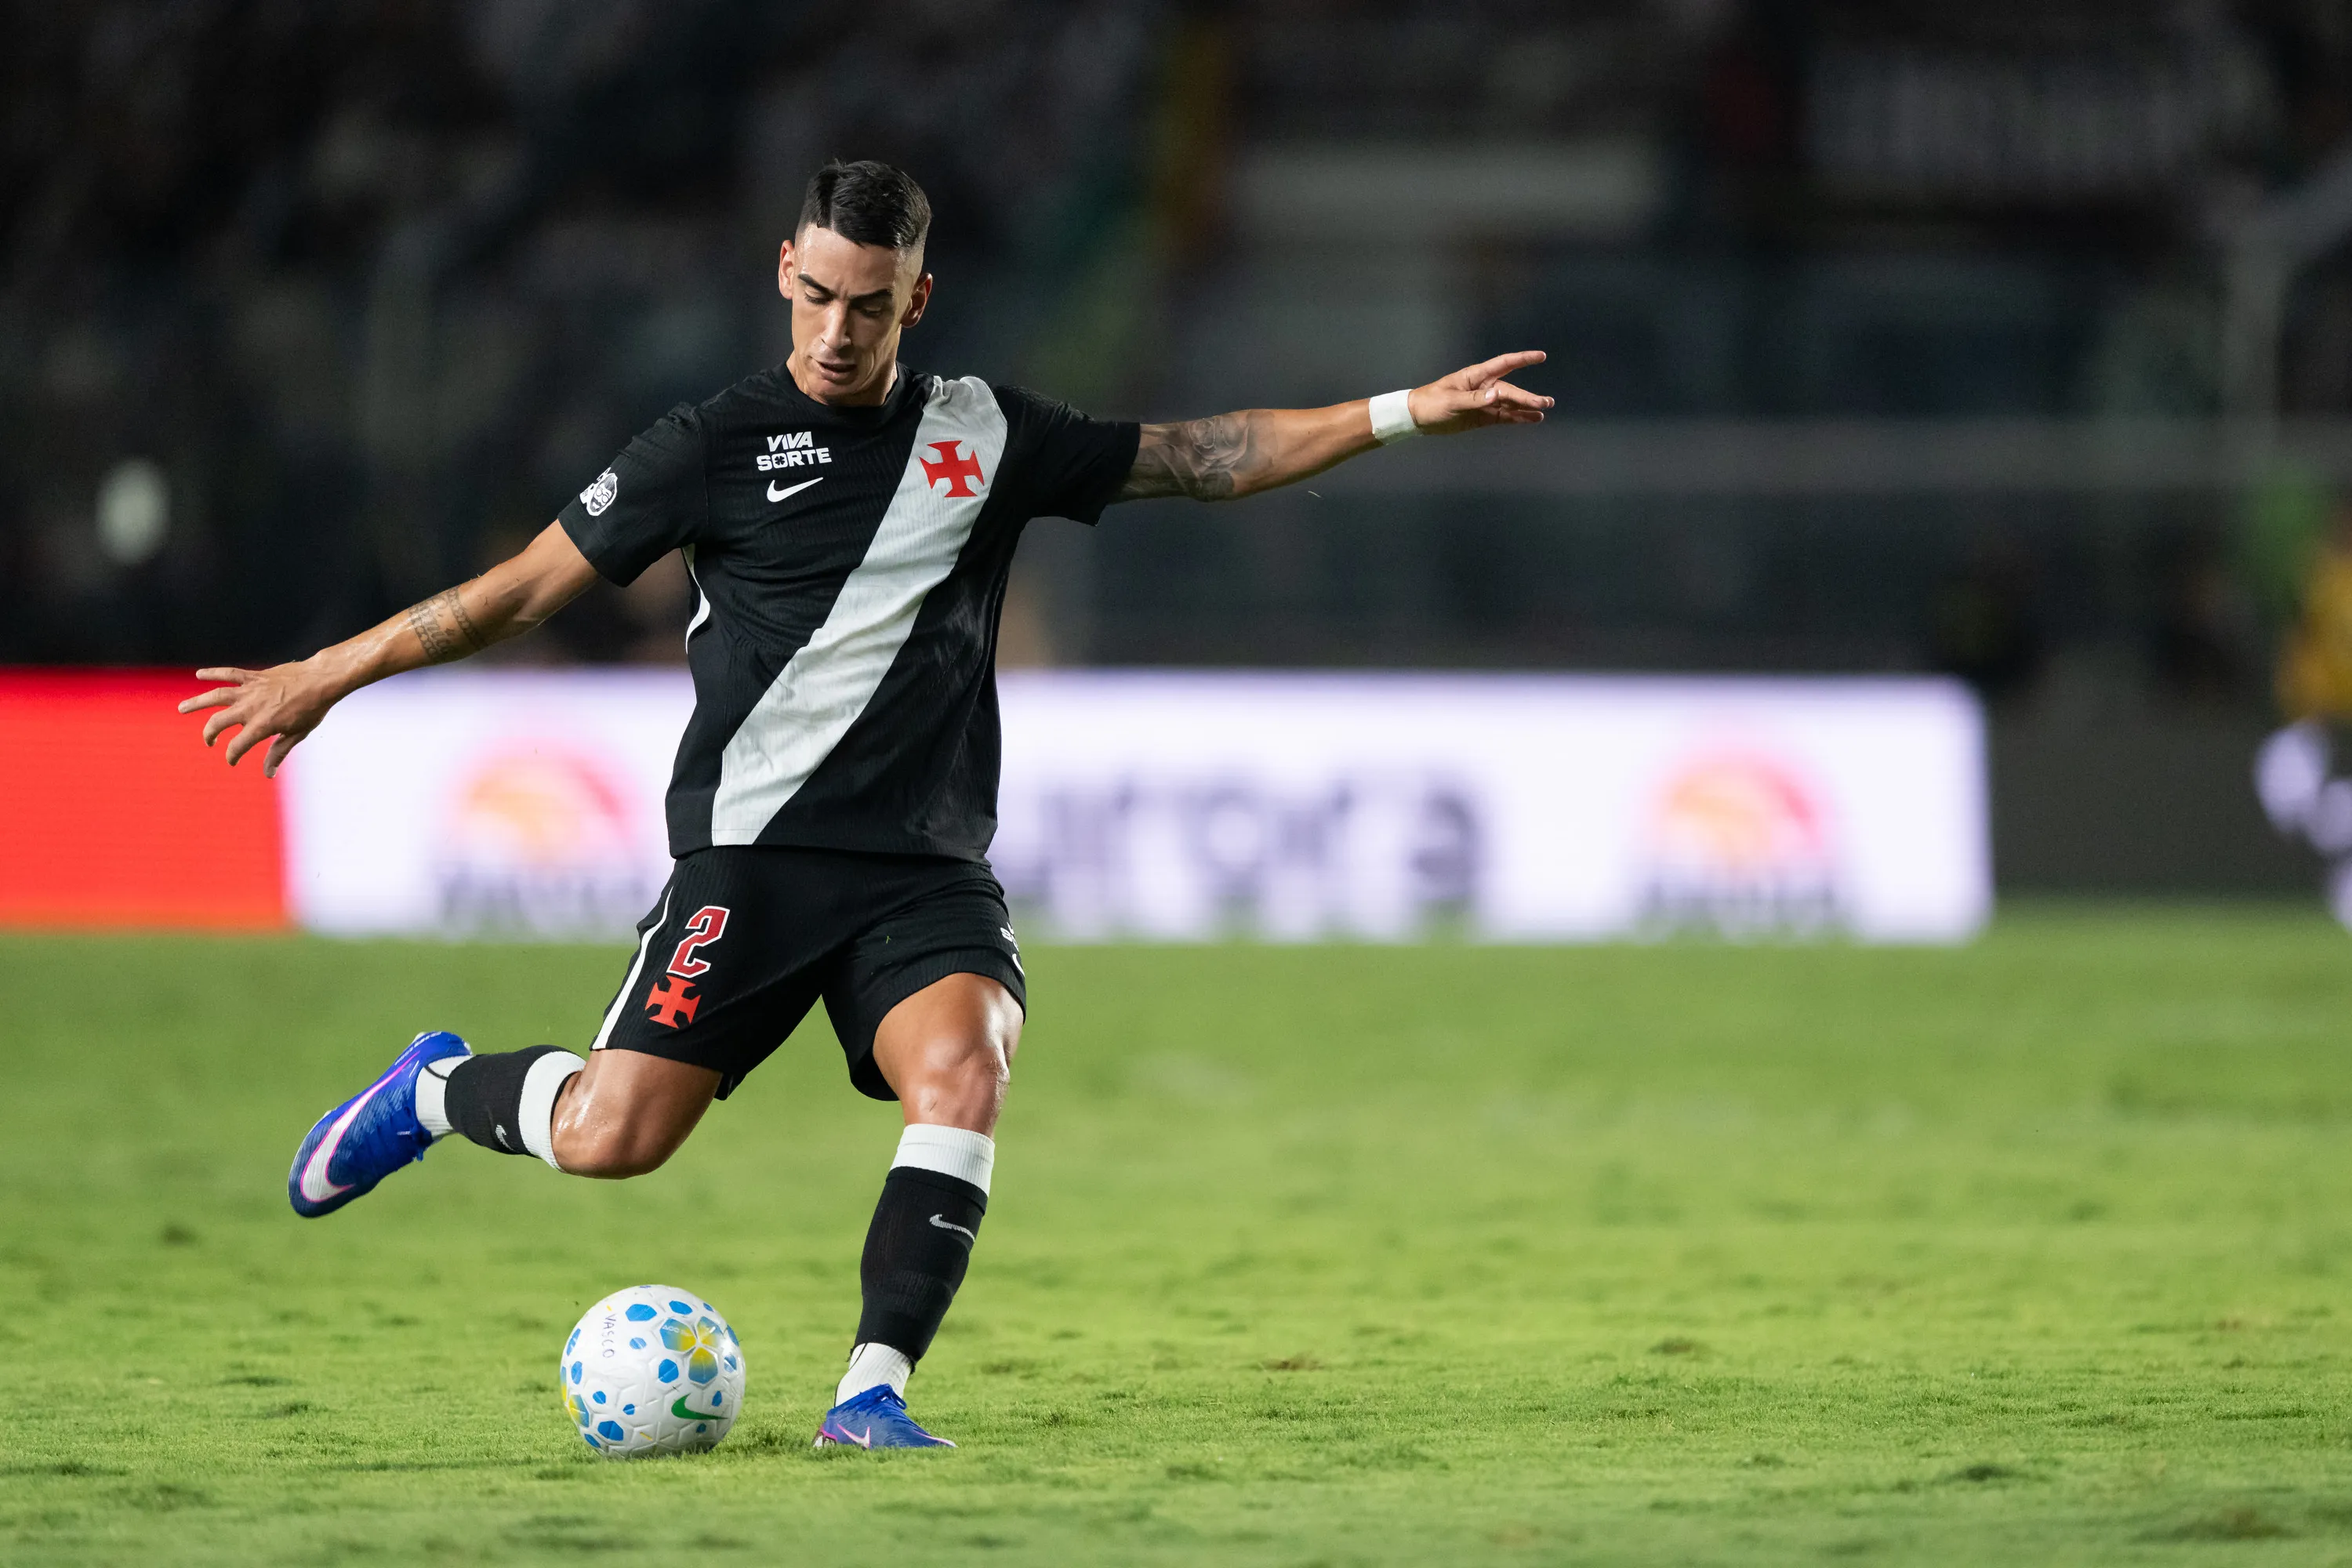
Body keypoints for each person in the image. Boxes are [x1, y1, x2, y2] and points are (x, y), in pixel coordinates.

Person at [180, 160, 1552, 1449]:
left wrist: (1400, 413)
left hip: (922, 868)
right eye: (819, 295)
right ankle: (430, 1094)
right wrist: (329, 672)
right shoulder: (709, 445)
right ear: (785, 272)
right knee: (613, 1139)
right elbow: (519, 591)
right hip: (755, 860)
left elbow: (1206, 454)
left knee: (966, 1069)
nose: (839, 331)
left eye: (872, 304)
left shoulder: (988, 434)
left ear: (919, 300)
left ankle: (871, 1395)